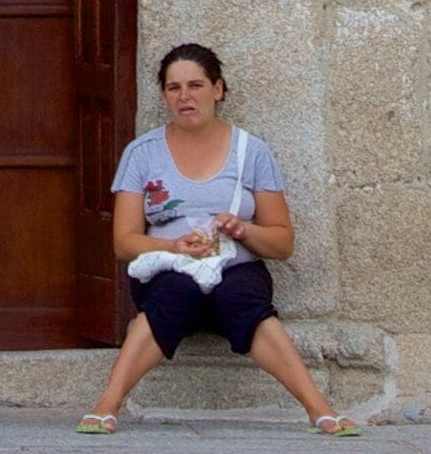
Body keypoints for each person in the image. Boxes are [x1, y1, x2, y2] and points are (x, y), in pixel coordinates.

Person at [78, 43, 357, 436]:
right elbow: (124, 242)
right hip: (168, 269)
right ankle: (108, 403)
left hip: (235, 266)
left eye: (195, 85)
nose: (185, 97)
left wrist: (244, 230)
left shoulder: (252, 152)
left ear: (218, 89)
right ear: (164, 95)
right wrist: (174, 247)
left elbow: (282, 243)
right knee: (174, 292)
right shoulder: (141, 154)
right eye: (174, 88)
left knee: (242, 298)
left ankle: (319, 408)